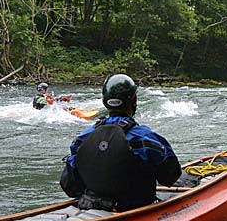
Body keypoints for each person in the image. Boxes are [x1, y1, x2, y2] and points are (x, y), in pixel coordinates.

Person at [59, 74, 181, 211]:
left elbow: (69, 185)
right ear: (134, 101)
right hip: (136, 208)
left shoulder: (83, 139)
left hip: (91, 206)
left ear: (105, 101)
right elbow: (171, 176)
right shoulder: (145, 138)